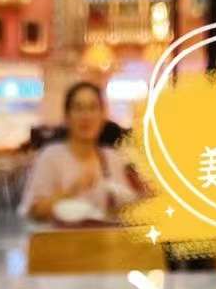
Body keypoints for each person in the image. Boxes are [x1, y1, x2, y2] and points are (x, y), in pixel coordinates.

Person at [20, 82, 139, 224]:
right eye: (78, 108)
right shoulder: (51, 156)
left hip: (104, 236)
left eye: (92, 108)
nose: (86, 116)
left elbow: (127, 206)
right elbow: (34, 211)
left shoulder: (111, 157)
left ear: (102, 116)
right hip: (61, 237)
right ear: (67, 117)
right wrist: (71, 191)